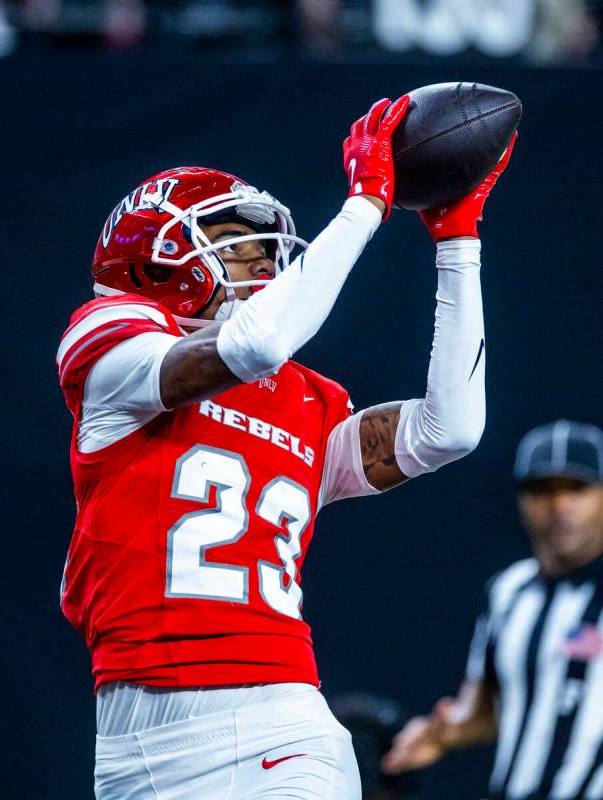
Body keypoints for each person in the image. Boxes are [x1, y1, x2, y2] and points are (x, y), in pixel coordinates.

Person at [56, 96, 515, 799]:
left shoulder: (303, 397)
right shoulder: (111, 341)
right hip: (132, 745)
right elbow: (252, 343)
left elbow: (448, 430)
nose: (263, 264)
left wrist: (457, 242)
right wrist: (364, 203)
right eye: (237, 244)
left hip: (278, 724)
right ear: (159, 260)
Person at [382, 420, 603, 800]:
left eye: (576, 488)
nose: (559, 505)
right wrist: (441, 733)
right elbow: (490, 708)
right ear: (520, 500)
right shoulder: (508, 591)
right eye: (541, 490)